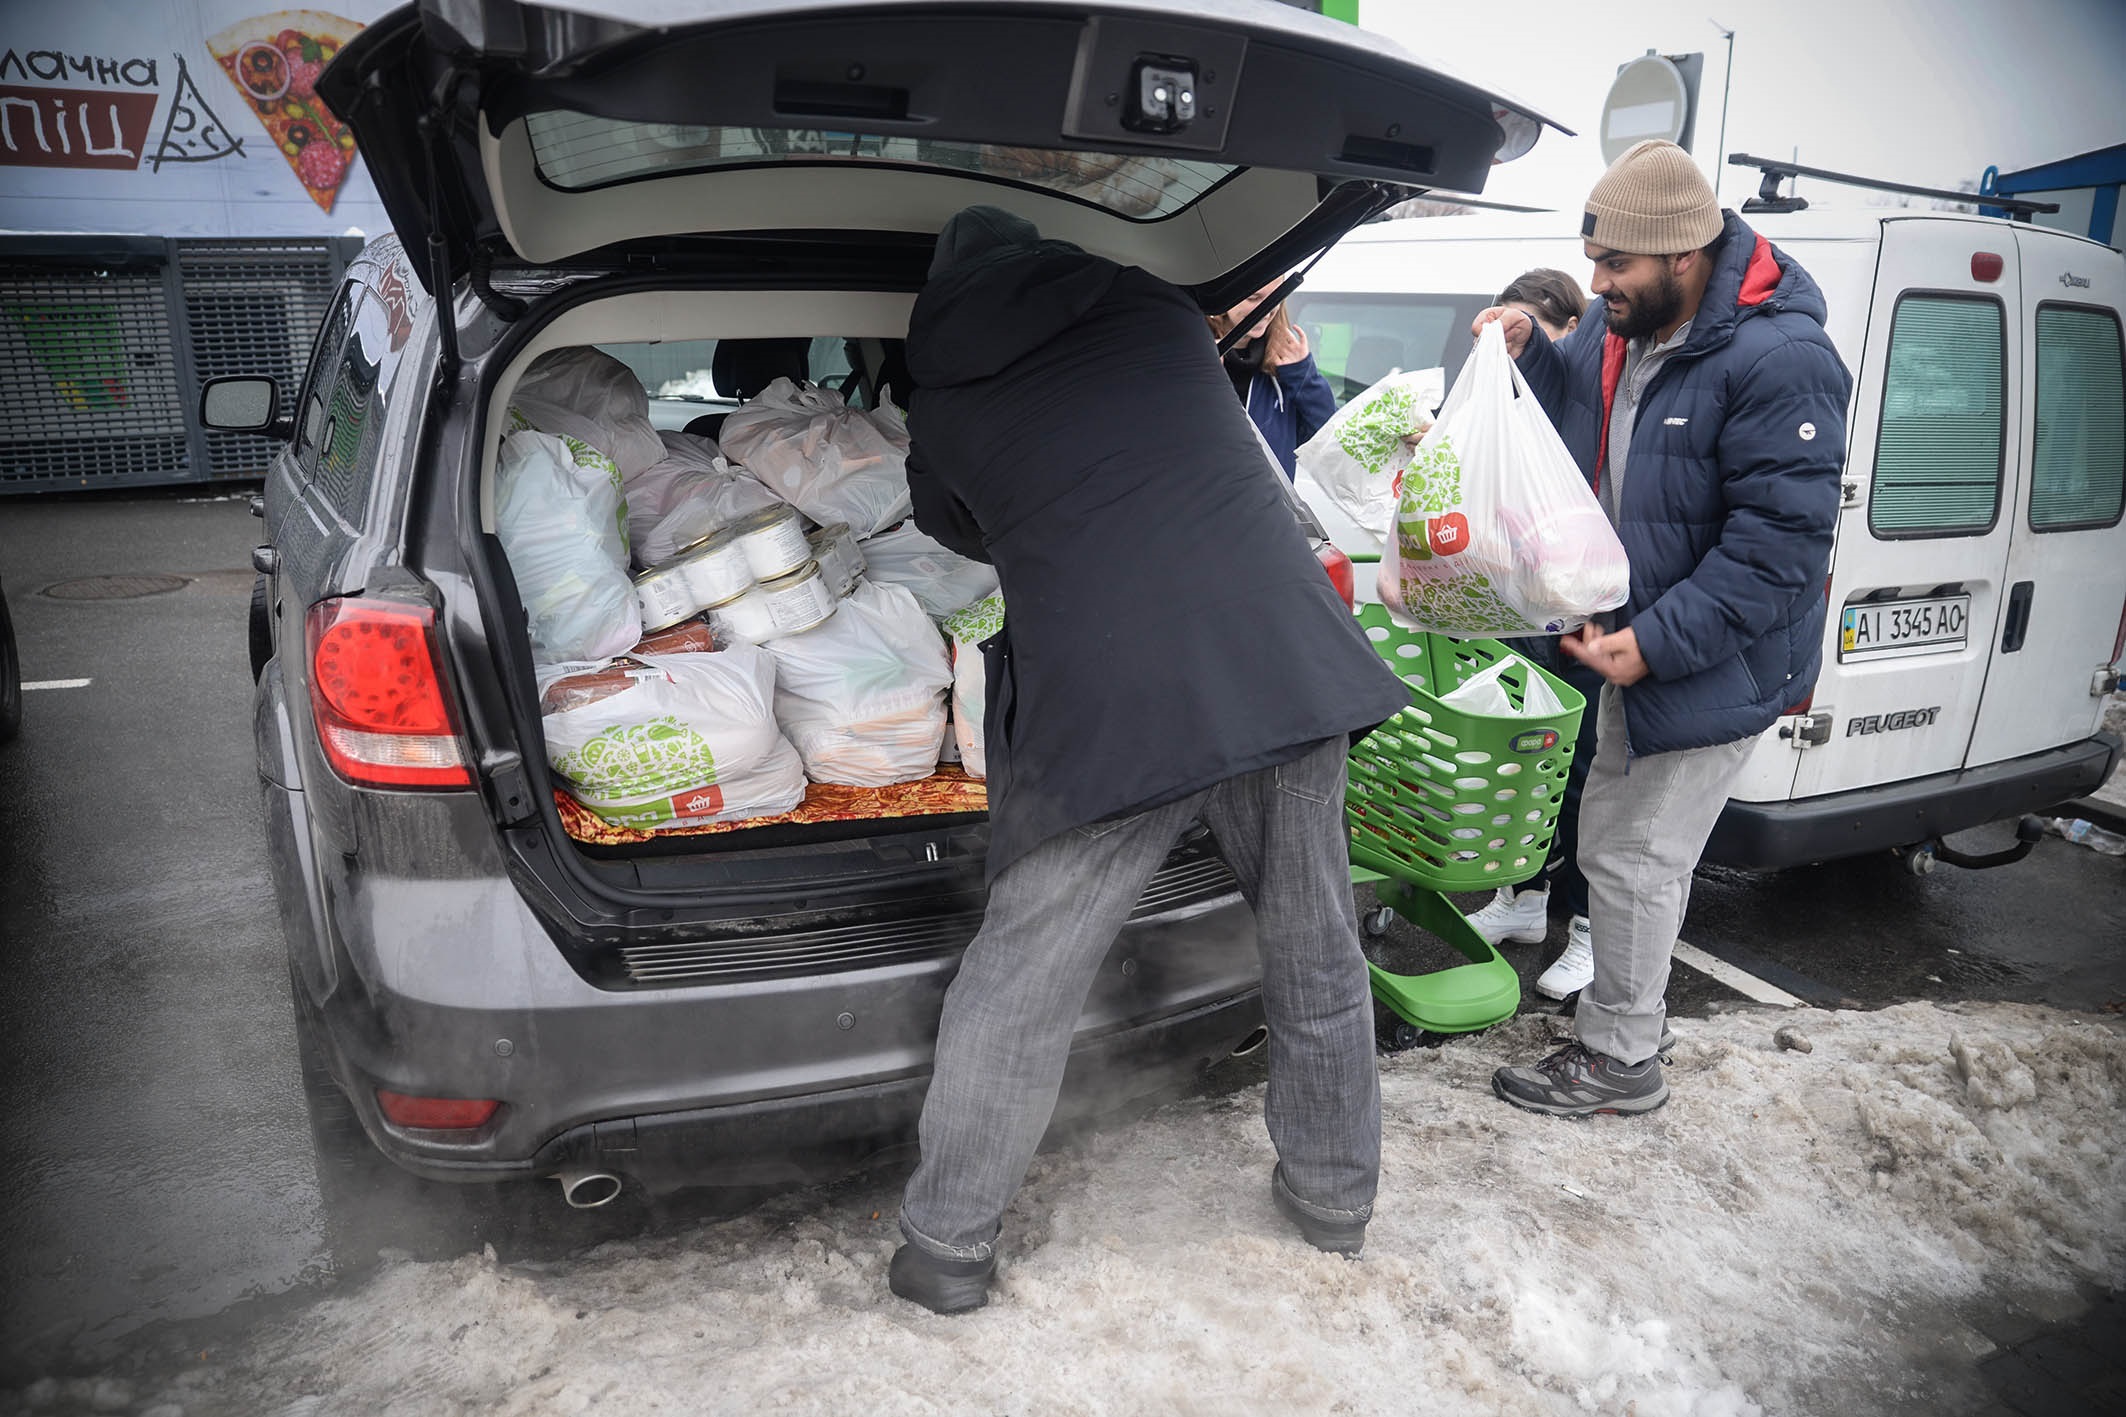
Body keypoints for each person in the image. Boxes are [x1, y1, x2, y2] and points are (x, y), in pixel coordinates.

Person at [887, 205, 1410, 1312]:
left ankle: (945, 1246)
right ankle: (1333, 1198)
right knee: (1315, 943)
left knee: (1023, 974)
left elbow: (953, 524)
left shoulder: (942, 391)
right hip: (1279, 659)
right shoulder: (1159, 313)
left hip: (1118, 700)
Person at [1478, 141, 1851, 1118]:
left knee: (1633, 854)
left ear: (1683, 254)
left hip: (1707, 660)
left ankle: (1619, 1060)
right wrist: (1528, 345)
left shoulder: (1780, 358)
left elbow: (1777, 551)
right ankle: (1634, 1016)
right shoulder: (1623, 332)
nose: (1597, 282)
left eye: (1615, 264)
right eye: (1592, 260)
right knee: (1625, 848)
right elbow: (1572, 411)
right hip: (1636, 646)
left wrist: (1652, 644)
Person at [1461, 266, 1605, 1002]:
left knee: (1580, 780)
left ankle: (1588, 926)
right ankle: (1521, 899)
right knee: (1523, 764)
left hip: (1585, 613)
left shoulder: (1596, 382)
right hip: (1523, 612)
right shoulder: (1509, 394)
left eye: (1540, 333)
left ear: (1572, 331)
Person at [1208, 280, 1338, 478]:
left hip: (1269, 498)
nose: (1267, 309)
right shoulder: (1188, 357)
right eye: (1253, 298)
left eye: (1276, 296)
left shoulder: (1286, 368)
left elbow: (1327, 440)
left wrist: (1304, 378)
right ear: (1221, 296)